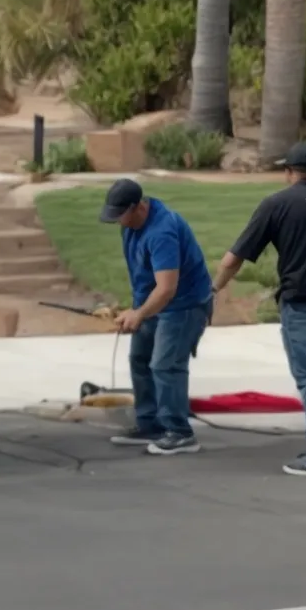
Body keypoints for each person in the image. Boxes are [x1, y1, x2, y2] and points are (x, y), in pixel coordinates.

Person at [213, 142, 306, 480]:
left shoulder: (276, 204)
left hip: (303, 305)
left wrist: (214, 288)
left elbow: (235, 257)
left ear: (289, 172)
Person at [101, 178, 215, 456]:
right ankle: (150, 423)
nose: (118, 222)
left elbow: (167, 288)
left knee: (166, 366)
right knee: (140, 359)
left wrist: (140, 314)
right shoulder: (131, 226)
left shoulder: (162, 231)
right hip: (154, 304)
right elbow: (145, 276)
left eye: (121, 215)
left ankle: (179, 432)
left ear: (137, 207)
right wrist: (134, 311)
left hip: (184, 306)